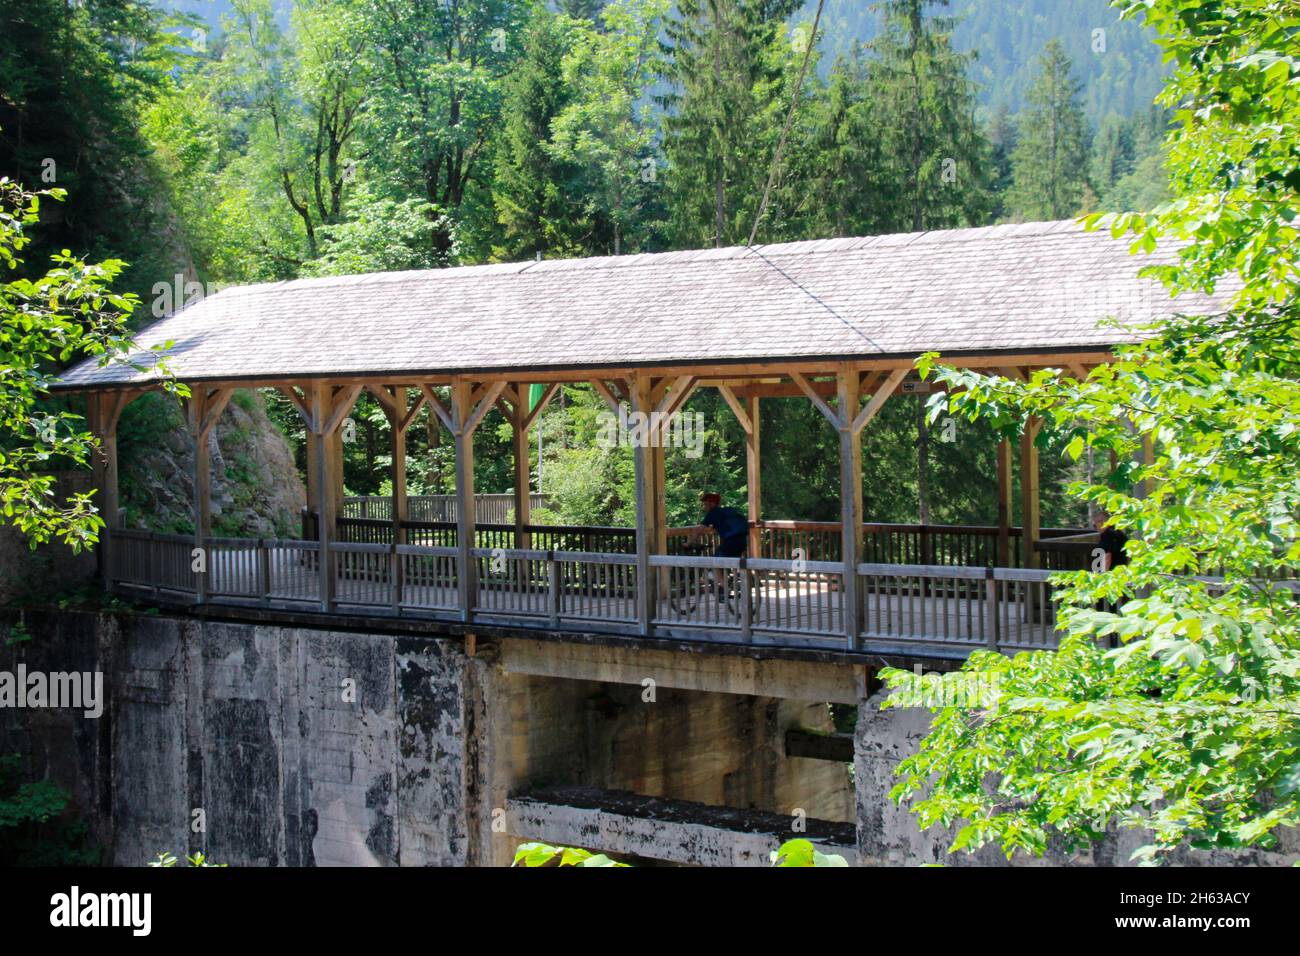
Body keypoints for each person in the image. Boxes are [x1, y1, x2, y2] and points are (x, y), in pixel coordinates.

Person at [691, 492, 749, 591]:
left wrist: (690, 542)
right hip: (742, 541)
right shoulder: (727, 511)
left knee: (715, 562)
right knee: (733, 562)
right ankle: (737, 585)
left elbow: (699, 530)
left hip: (730, 542)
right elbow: (718, 526)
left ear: (712, 503)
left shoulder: (713, 513)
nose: (704, 507)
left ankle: (725, 587)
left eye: (705, 504)